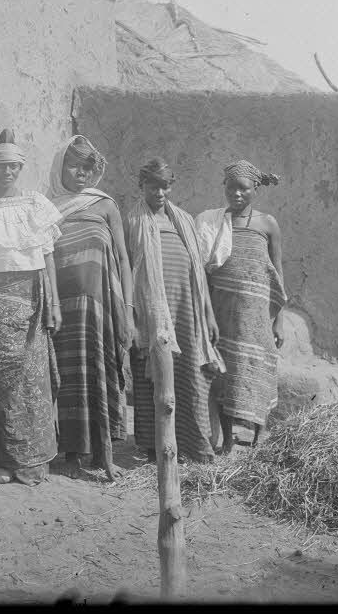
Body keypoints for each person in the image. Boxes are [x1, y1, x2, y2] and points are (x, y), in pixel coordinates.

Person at [0, 129, 62, 486]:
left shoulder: (35, 204)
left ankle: (33, 459)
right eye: (0, 167)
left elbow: (47, 257)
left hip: (34, 298)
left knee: (31, 378)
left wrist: (53, 302)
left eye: (13, 166)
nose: (7, 172)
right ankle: (3, 459)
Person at [124, 159, 223, 465]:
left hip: (186, 309)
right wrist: (132, 314)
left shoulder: (183, 220)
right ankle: (156, 448)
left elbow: (198, 274)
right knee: (153, 377)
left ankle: (193, 445)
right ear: (141, 186)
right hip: (152, 311)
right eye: (153, 185)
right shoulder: (133, 221)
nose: (160, 191)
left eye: (166, 185)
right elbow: (128, 268)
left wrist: (208, 315)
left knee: (190, 374)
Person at [45, 134, 134, 479]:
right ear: (59, 166)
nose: (80, 172)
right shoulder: (46, 207)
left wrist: (126, 307)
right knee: (64, 376)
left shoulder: (104, 205)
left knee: (101, 372)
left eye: (87, 166)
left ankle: (103, 455)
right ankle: (70, 454)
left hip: (100, 310)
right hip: (61, 308)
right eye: (73, 164)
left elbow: (124, 260)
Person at [195, 159, 287, 454]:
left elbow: (277, 273)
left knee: (256, 371)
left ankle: (258, 437)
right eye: (231, 187)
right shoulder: (214, 222)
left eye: (243, 188)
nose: (236, 194)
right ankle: (227, 439)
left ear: (255, 190)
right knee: (224, 376)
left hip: (257, 316)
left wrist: (279, 320)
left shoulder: (267, 224)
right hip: (222, 314)